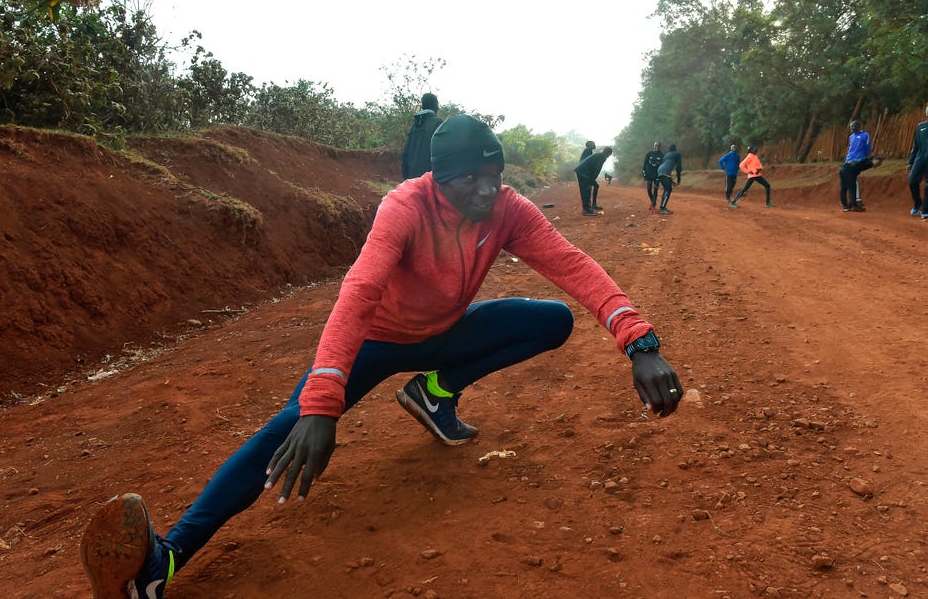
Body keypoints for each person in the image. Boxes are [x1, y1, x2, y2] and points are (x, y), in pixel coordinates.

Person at [80, 115, 683, 599]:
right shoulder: (404, 206)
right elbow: (358, 292)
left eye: (493, 173)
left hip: (444, 334)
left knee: (551, 320)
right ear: (438, 178)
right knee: (287, 432)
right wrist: (323, 402)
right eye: (469, 178)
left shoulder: (507, 208)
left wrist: (639, 341)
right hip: (379, 340)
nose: (485, 188)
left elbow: (572, 265)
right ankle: (168, 561)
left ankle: (434, 391)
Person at [400, 93, 443, 180]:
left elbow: (405, 154)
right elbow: (443, 155)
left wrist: (406, 179)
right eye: (437, 105)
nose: (438, 108)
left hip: (413, 180)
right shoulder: (438, 124)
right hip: (430, 181)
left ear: (423, 106)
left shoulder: (414, 126)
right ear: (435, 105)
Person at [840, 120, 873, 211]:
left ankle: (847, 204)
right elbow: (868, 147)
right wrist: (866, 156)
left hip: (850, 160)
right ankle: (855, 202)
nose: (852, 129)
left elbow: (851, 149)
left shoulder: (852, 137)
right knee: (852, 182)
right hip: (857, 160)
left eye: (852, 127)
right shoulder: (865, 135)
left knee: (846, 184)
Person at [574, 142, 613, 215]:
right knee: (586, 191)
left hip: (583, 172)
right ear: (609, 154)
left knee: (595, 186)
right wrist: (591, 181)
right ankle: (586, 210)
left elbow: (594, 167)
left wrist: (592, 181)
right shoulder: (602, 157)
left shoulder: (600, 155)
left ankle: (593, 205)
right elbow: (597, 170)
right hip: (584, 173)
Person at [906, 103, 928, 219]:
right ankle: (917, 204)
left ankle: (925, 209)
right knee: (912, 180)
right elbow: (916, 147)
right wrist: (910, 161)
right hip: (920, 159)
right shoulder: (920, 127)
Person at [655, 143, 681, 214]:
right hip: (665, 172)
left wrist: (672, 181)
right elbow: (678, 167)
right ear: (675, 149)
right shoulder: (677, 154)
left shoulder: (666, 155)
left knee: (667, 188)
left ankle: (662, 207)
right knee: (668, 189)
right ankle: (662, 208)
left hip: (660, 170)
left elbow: (665, 167)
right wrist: (679, 179)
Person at [641, 141, 663, 213]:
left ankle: (653, 206)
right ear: (653, 146)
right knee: (648, 190)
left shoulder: (662, 155)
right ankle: (653, 202)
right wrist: (644, 175)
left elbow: (662, 166)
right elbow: (644, 165)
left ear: (660, 147)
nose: (657, 147)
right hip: (649, 175)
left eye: (658, 146)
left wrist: (661, 175)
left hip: (657, 175)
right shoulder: (649, 154)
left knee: (655, 190)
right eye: (655, 145)